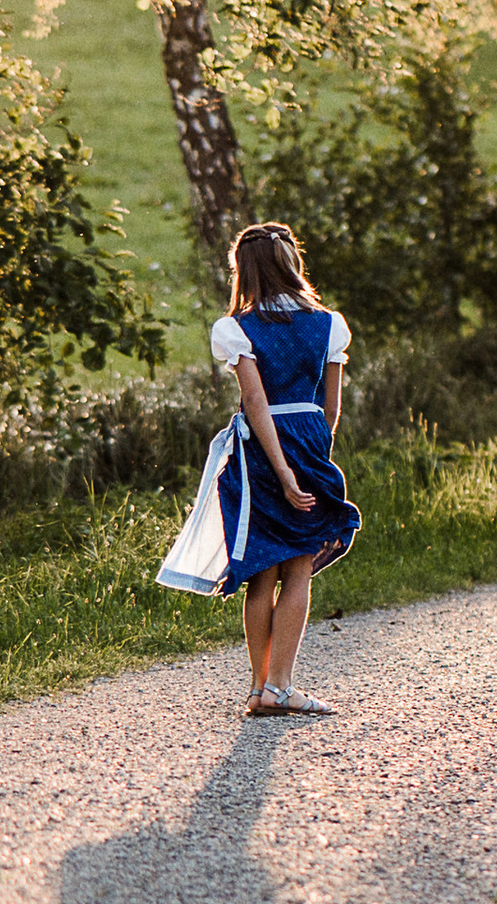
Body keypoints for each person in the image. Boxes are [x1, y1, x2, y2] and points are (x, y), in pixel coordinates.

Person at [155, 220, 361, 715]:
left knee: (262, 573)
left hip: (259, 453)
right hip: (309, 443)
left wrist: (279, 471)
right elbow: (330, 409)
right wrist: (306, 464)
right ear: (292, 262)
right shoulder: (330, 324)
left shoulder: (234, 329)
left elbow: (255, 401)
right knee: (298, 571)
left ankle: (259, 687)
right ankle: (281, 686)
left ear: (243, 271)